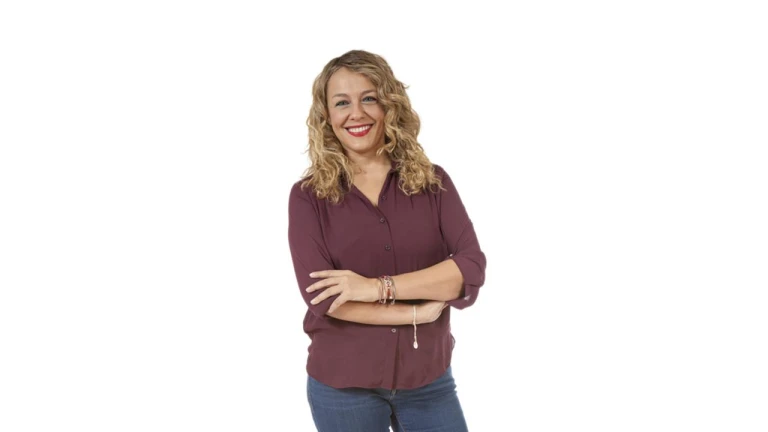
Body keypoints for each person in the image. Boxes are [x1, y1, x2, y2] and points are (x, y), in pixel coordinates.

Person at [287, 49, 487, 432]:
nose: (356, 113)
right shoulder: (308, 197)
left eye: (369, 98)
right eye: (342, 102)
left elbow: (469, 268)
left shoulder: (434, 182)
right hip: (343, 386)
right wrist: (415, 313)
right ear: (327, 115)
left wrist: (373, 288)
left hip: (429, 379)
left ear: (389, 105)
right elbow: (324, 298)